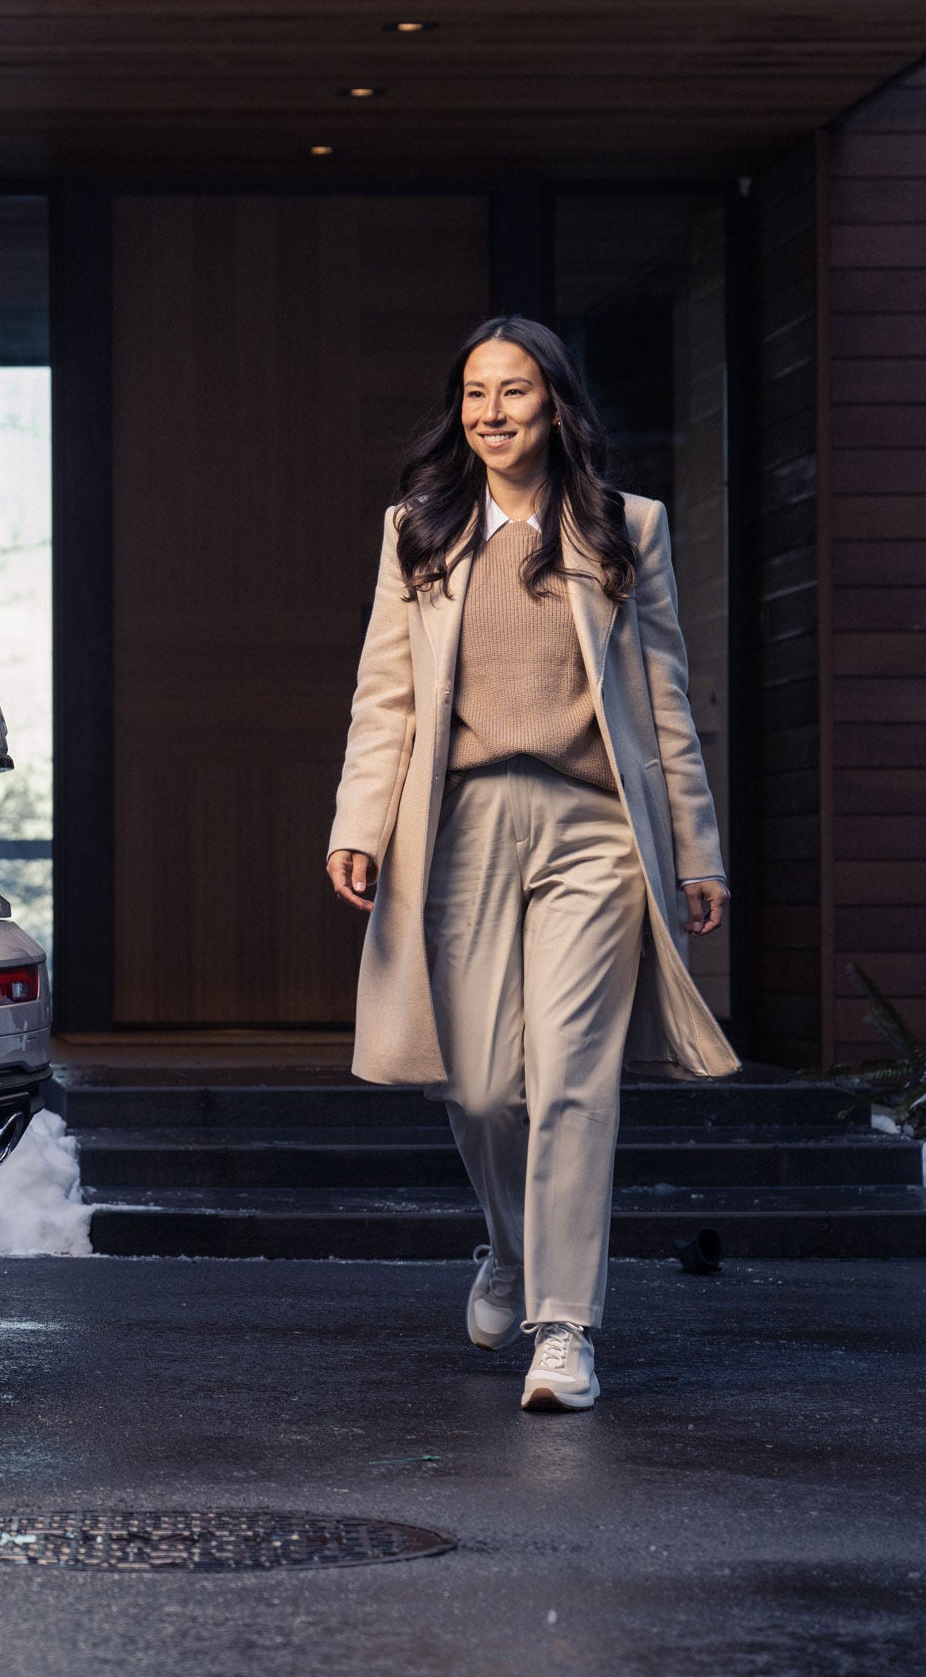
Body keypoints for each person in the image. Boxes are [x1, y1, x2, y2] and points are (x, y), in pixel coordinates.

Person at [325, 315, 735, 1412]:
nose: (492, 413)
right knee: (479, 1085)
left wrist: (696, 847)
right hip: (456, 829)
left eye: (513, 392)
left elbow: (664, 704)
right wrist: (357, 823)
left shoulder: (623, 528)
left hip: (594, 834)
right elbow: (386, 697)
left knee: (570, 1082)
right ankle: (507, 1249)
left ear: (555, 403)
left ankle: (564, 1329)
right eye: (473, 394)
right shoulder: (418, 531)